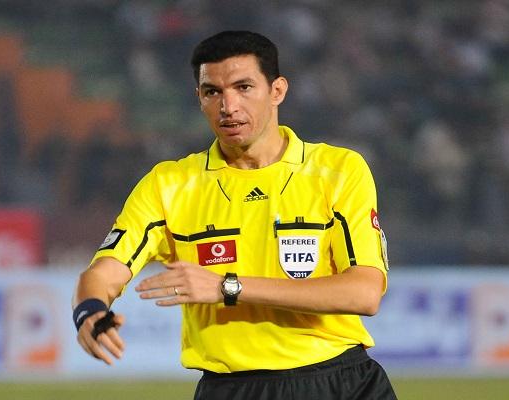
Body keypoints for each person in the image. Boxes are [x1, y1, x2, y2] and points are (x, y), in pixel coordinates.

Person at [72, 30, 396, 400]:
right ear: (199, 98)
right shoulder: (170, 184)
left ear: (277, 91)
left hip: (343, 382)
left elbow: (364, 293)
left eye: (243, 87)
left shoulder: (338, 169)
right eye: (213, 92)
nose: (228, 106)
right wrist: (90, 310)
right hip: (232, 389)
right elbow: (103, 273)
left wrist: (228, 287)